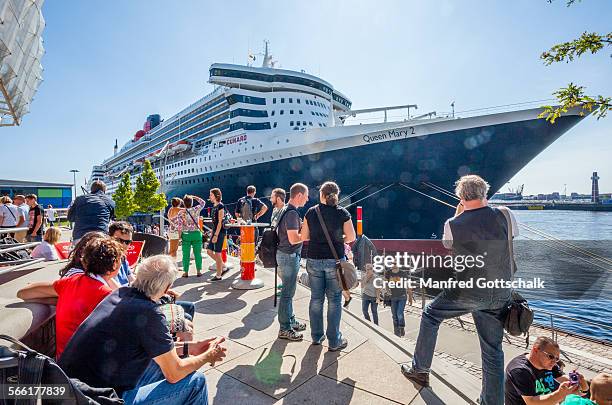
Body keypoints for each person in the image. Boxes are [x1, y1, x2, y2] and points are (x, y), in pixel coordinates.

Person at [401, 175, 517, 405]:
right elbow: (510, 239)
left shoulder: (452, 224)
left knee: (431, 314)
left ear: (461, 198)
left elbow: (448, 244)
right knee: (493, 350)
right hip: (500, 289)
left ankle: (420, 369)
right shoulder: (505, 214)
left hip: (468, 291)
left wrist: (459, 214)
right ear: (485, 193)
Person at [59, 255, 227, 405]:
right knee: (195, 383)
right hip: (102, 398)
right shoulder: (149, 314)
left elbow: (155, 351)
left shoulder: (119, 294)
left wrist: (192, 347)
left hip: (74, 390)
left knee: (162, 364)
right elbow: (174, 373)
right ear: (166, 287)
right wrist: (208, 356)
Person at [17, 237, 124, 359]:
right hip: (90, 371)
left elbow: (23, 293)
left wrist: (58, 299)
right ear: (115, 265)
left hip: (63, 365)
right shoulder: (109, 298)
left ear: (84, 261)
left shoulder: (69, 283)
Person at [301, 181, 356, 351]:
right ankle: (334, 341)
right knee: (334, 300)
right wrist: (338, 237)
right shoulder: (342, 213)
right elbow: (351, 237)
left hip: (314, 260)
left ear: (321, 195)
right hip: (335, 261)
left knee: (316, 298)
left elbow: (304, 236)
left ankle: (316, 337)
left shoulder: (311, 212)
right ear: (336, 195)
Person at [505, 337, 591, 405]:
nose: (554, 361)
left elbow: (565, 380)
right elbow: (531, 402)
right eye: (550, 356)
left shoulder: (549, 365)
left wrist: (580, 382)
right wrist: (560, 394)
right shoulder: (520, 370)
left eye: (557, 359)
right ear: (535, 350)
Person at [276, 183, 309, 341]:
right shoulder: (292, 214)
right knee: (287, 294)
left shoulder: (285, 210)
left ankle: (290, 320)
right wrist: (308, 235)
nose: (308, 199)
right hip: (289, 256)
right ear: (299, 195)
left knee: (289, 292)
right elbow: (293, 238)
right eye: (306, 196)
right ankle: (284, 328)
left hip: (284, 255)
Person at [178, 195, 206, 277]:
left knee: (185, 254)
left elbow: (179, 227)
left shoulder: (181, 213)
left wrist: (179, 237)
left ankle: (186, 272)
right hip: (196, 234)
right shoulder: (196, 209)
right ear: (192, 202)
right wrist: (194, 197)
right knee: (198, 253)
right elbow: (203, 202)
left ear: (184, 203)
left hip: (186, 235)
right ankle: (199, 271)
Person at [385, 265, 413, 337]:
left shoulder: (403, 273)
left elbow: (408, 285)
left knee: (399, 313)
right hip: (393, 297)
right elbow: (386, 283)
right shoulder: (388, 273)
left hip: (402, 296)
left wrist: (410, 297)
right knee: (394, 315)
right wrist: (387, 291)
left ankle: (401, 327)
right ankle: (396, 333)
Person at [206, 188, 226, 281]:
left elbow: (220, 222)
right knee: (209, 251)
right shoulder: (214, 206)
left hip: (219, 232)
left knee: (217, 253)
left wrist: (216, 235)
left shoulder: (220, 206)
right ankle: (222, 265)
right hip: (215, 231)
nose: (210, 196)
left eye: (211, 195)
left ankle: (218, 275)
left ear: (216, 196)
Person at [108, 221, 137, 285]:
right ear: (109, 238)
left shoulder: (123, 259)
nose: (123, 245)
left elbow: (132, 281)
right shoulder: (104, 260)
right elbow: (115, 290)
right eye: (119, 240)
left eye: (127, 242)